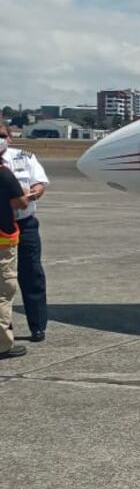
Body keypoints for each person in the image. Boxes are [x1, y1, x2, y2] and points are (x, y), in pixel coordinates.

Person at [0, 124, 49, 342]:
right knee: (4, 282)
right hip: (2, 225)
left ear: (10, 138)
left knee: (32, 275)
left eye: (1, 135)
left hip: (25, 223)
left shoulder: (24, 156)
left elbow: (39, 183)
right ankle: (3, 329)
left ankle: (37, 326)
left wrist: (33, 196)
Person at [0, 152, 29, 358]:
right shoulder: (4, 174)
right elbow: (20, 202)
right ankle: (2, 344)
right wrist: (27, 194)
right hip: (3, 241)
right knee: (3, 292)